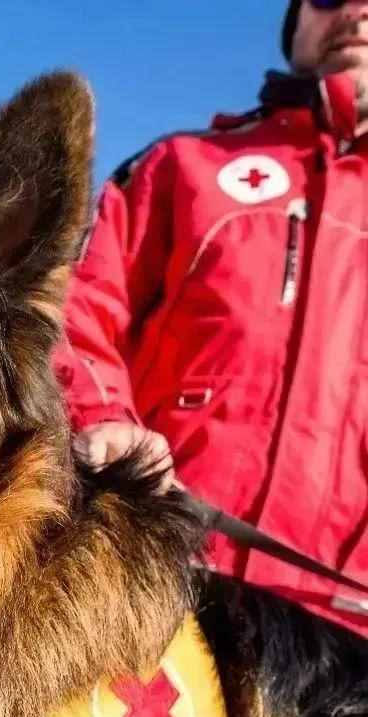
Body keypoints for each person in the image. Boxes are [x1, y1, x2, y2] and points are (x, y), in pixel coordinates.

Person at [56, 0, 368, 635]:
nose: (357, 11)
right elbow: (70, 309)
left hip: (347, 644)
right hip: (156, 592)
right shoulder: (180, 169)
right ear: (296, 22)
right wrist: (104, 420)